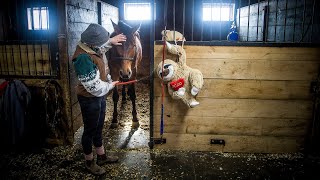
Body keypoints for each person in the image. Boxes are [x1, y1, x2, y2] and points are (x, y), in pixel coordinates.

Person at [71, 23, 126, 175]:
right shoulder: (83, 59)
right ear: (92, 43)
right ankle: (89, 162)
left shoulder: (91, 48)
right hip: (89, 98)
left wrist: (111, 41)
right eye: (103, 41)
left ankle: (101, 156)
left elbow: (100, 48)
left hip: (99, 97)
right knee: (89, 131)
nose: (104, 44)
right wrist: (110, 85)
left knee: (99, 127)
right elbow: (94, 88)